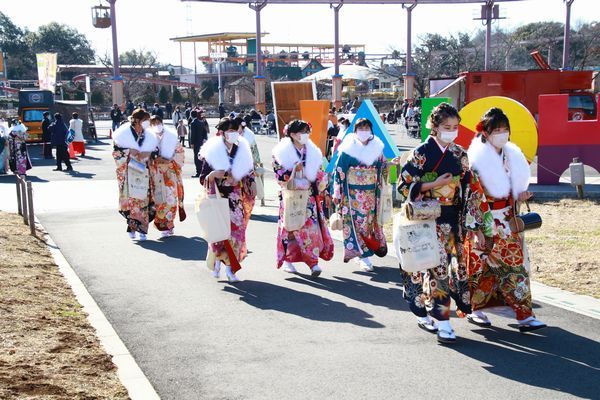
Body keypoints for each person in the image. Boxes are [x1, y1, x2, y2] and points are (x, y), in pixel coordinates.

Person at [396, 103, 493, 344]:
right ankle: (443, 321)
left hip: (454, 218)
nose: (451, 131)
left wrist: (476, 224)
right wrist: (433, 184)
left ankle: (439, 312)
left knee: (458, 268)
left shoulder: (460, 154)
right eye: (446, 127)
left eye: (455, 127)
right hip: (428, 219)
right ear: (435, 127)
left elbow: (471, 189)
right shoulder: (421, 152)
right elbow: (404, 184)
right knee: (436, 268)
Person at [465, 107, 546, 333]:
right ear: (486, 133)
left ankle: (524, 315)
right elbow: (472, 197)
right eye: (496, 130)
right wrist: (476, 228)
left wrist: (519, 195)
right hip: (484, 220)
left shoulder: (512, 155)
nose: (502, 134)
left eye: (505, 130)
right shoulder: (476, 161)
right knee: (481, 268)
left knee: (515, 266)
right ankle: (475, 310)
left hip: (507, 220)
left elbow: (512, 188)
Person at [272, 120, 334, 276]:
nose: (306, 135)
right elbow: (279, 175)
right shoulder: (281, 152)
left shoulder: (312, 151)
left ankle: (313, 263)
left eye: (307, 131)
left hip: (309, 197)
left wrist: (324, 186)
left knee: (311, 230)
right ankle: (288, 260)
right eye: (302, 131)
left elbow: (319, 173)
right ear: (292, 134)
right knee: (291, 228)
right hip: (291, 196)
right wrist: (293, 170)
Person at [199, 118, 256, 283]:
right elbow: (203, 177)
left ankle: (231, 269)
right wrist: (213, 175)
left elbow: (248, 173)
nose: (233, 134)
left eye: (235, 130)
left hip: (235, 198)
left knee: (236, 233)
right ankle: (217, 260)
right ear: (222, 132)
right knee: (220, 234)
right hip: (218, 198)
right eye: (229, 131)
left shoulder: (242, 150)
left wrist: (251, 183)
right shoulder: (213, 150)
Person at [332, 118, 387, 272]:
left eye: (367, 128)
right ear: (355, 131)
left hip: (370, 194)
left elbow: (382, 167)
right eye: (360, 128)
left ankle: (364, 254)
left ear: (371, 131)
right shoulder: (348, 148)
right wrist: (337, 192)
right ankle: (362, 256)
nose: (364, 131)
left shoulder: (377, 148)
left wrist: (389, 165)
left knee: (367, 224)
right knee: (355, 224)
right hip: (352, 195)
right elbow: (339, 171)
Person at [112, 108, 159, 241]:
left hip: (144, 170)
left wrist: (149, 153)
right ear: (137, 120)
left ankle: (142, 229)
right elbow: (116, 152)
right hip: (129, 171)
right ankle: (132, 227)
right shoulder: (123, 134)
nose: (147, 123)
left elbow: (156, 151)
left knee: (143, 199)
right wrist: (129, 151)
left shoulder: (149, 136)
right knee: (132, 200)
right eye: (145, 120)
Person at [149, 116, 186, 238]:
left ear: (162, 123)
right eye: (153, 123)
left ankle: (169, 225)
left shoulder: (171, 136)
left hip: (170, 172)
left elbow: (180, 152)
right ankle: (161, 223)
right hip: (156, 172)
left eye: (158, 122)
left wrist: (169, 159)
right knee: (158, 198)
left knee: (170, 198)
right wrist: (154, 159)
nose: (157, 125)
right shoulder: (149, 137)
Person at [190, 110, 209, 177]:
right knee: (201, 157)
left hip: (196, 142)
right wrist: (205, 139)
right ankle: (202, 171)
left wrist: (192, 143)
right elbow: (205, 132)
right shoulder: (202, 122)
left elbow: (192, 134)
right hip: (202, 142)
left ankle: (198, 172)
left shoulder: (193, 123)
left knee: (196, 157)